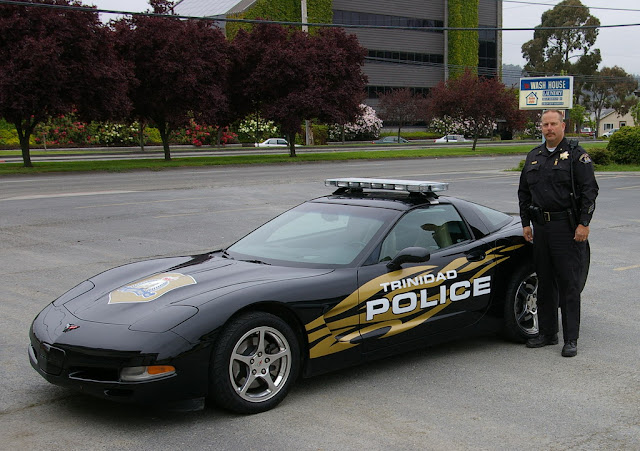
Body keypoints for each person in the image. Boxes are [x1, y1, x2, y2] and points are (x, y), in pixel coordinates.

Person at [518, 109, 599, 357]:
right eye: (545, 125)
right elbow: (524, 193)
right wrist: (526, 223)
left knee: (568, 284)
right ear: (540, 128)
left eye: (554, 124)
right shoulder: (534, 156)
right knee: (544, 283)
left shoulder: (576, 155)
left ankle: (571, 339)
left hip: (567, 228)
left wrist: (584, 223)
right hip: (541, 228)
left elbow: (589, 191)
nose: (549, 128)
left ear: (563, 126)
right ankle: (548, 333)